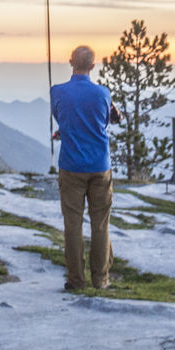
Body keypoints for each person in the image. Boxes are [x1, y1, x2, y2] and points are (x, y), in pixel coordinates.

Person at [50, 44, 121, 291]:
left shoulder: (57, 92)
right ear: (93, 65)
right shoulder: (103, 93)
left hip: (71, 165)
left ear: (71, 62)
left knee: (73, 224)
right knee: (100, 224)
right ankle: (101, 279)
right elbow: (106, 121)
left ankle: (76, 279)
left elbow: (63, 119)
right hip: (100, 165)